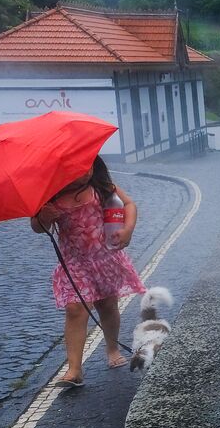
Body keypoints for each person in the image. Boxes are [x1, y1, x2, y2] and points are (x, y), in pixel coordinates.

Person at [30, 157, 145, 387]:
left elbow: (129, 204)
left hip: (105, 259)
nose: (84, 172)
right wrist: (44, 217)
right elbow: (37, 226)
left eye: (87, 166)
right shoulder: (51, 199)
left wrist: (128, 230)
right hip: (75, 264)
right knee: (75, 309)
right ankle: (74, 370)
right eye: (76, 169)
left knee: (108, 305)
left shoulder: (101, 189)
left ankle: (112, 348)